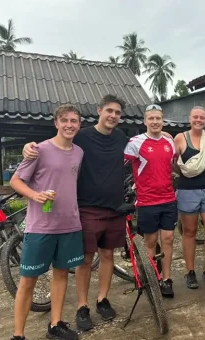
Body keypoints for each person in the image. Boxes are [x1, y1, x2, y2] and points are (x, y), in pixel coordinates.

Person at [23, 94, 129, 331]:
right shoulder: (81, 135)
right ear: (99, 110)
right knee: (85, 259)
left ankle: (102, 298)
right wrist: (28, 147)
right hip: (87, 207)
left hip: (114, 207)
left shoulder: (122, 137)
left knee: (108, 255)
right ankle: (82, 306)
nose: (113, 116)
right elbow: (56, 143)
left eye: (117, 113)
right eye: (109, 111)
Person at [10, 104, 84, 340]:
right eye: (65, 120)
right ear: (56, 123)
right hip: (40, 226)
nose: (69, 125)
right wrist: (34, 195)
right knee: (28, 280)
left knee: (61, 275)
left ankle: (55, 324)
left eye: (74, 121)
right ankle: (18, 335)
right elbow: (16, 181)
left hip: (70, 224)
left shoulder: (79, 152)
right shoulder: (38, 150)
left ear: (79, 124)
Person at [124, 104, 178, 298]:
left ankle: (166, 278)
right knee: (150, 241)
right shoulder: (135, 142)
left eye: (158, 118)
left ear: (162, 121)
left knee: (168, 239)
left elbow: (172, 163)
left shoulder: (169, 142)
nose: (155, 122)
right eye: (151, 118)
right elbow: (121, 164)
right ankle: (150, 275)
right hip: (147, 200)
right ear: (145, 121)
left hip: (169, 198)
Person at [174, 106, 205, 289]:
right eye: (195, 117)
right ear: (190, 118)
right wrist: (187, 173)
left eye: (202, 117)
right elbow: (174, 163)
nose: (199, 120)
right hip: (187, 190)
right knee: (189, 232)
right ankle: (190, 271)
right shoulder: (180, 138)